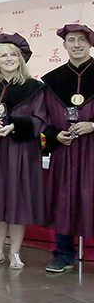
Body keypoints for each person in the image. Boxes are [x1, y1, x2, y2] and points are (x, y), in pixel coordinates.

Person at [0, 34, 46, 270]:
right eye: (3, 55)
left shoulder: (35, 88)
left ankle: (15, 252)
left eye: (13, 54)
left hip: (22, 151)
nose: (9, 59)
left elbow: (40, 118)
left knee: (18, 199)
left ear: (22, 58)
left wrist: (16, 125)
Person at [41, 23, 94, 273]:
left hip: (92, 149)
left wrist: (93, 125)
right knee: (63, 199)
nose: (77, 45)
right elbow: (43, 119)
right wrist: (54, 135)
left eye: (82, 40)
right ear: (64, 45)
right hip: (66, 149)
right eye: (71, 40)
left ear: (90, 43)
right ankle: (63, 254)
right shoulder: (53, 80)